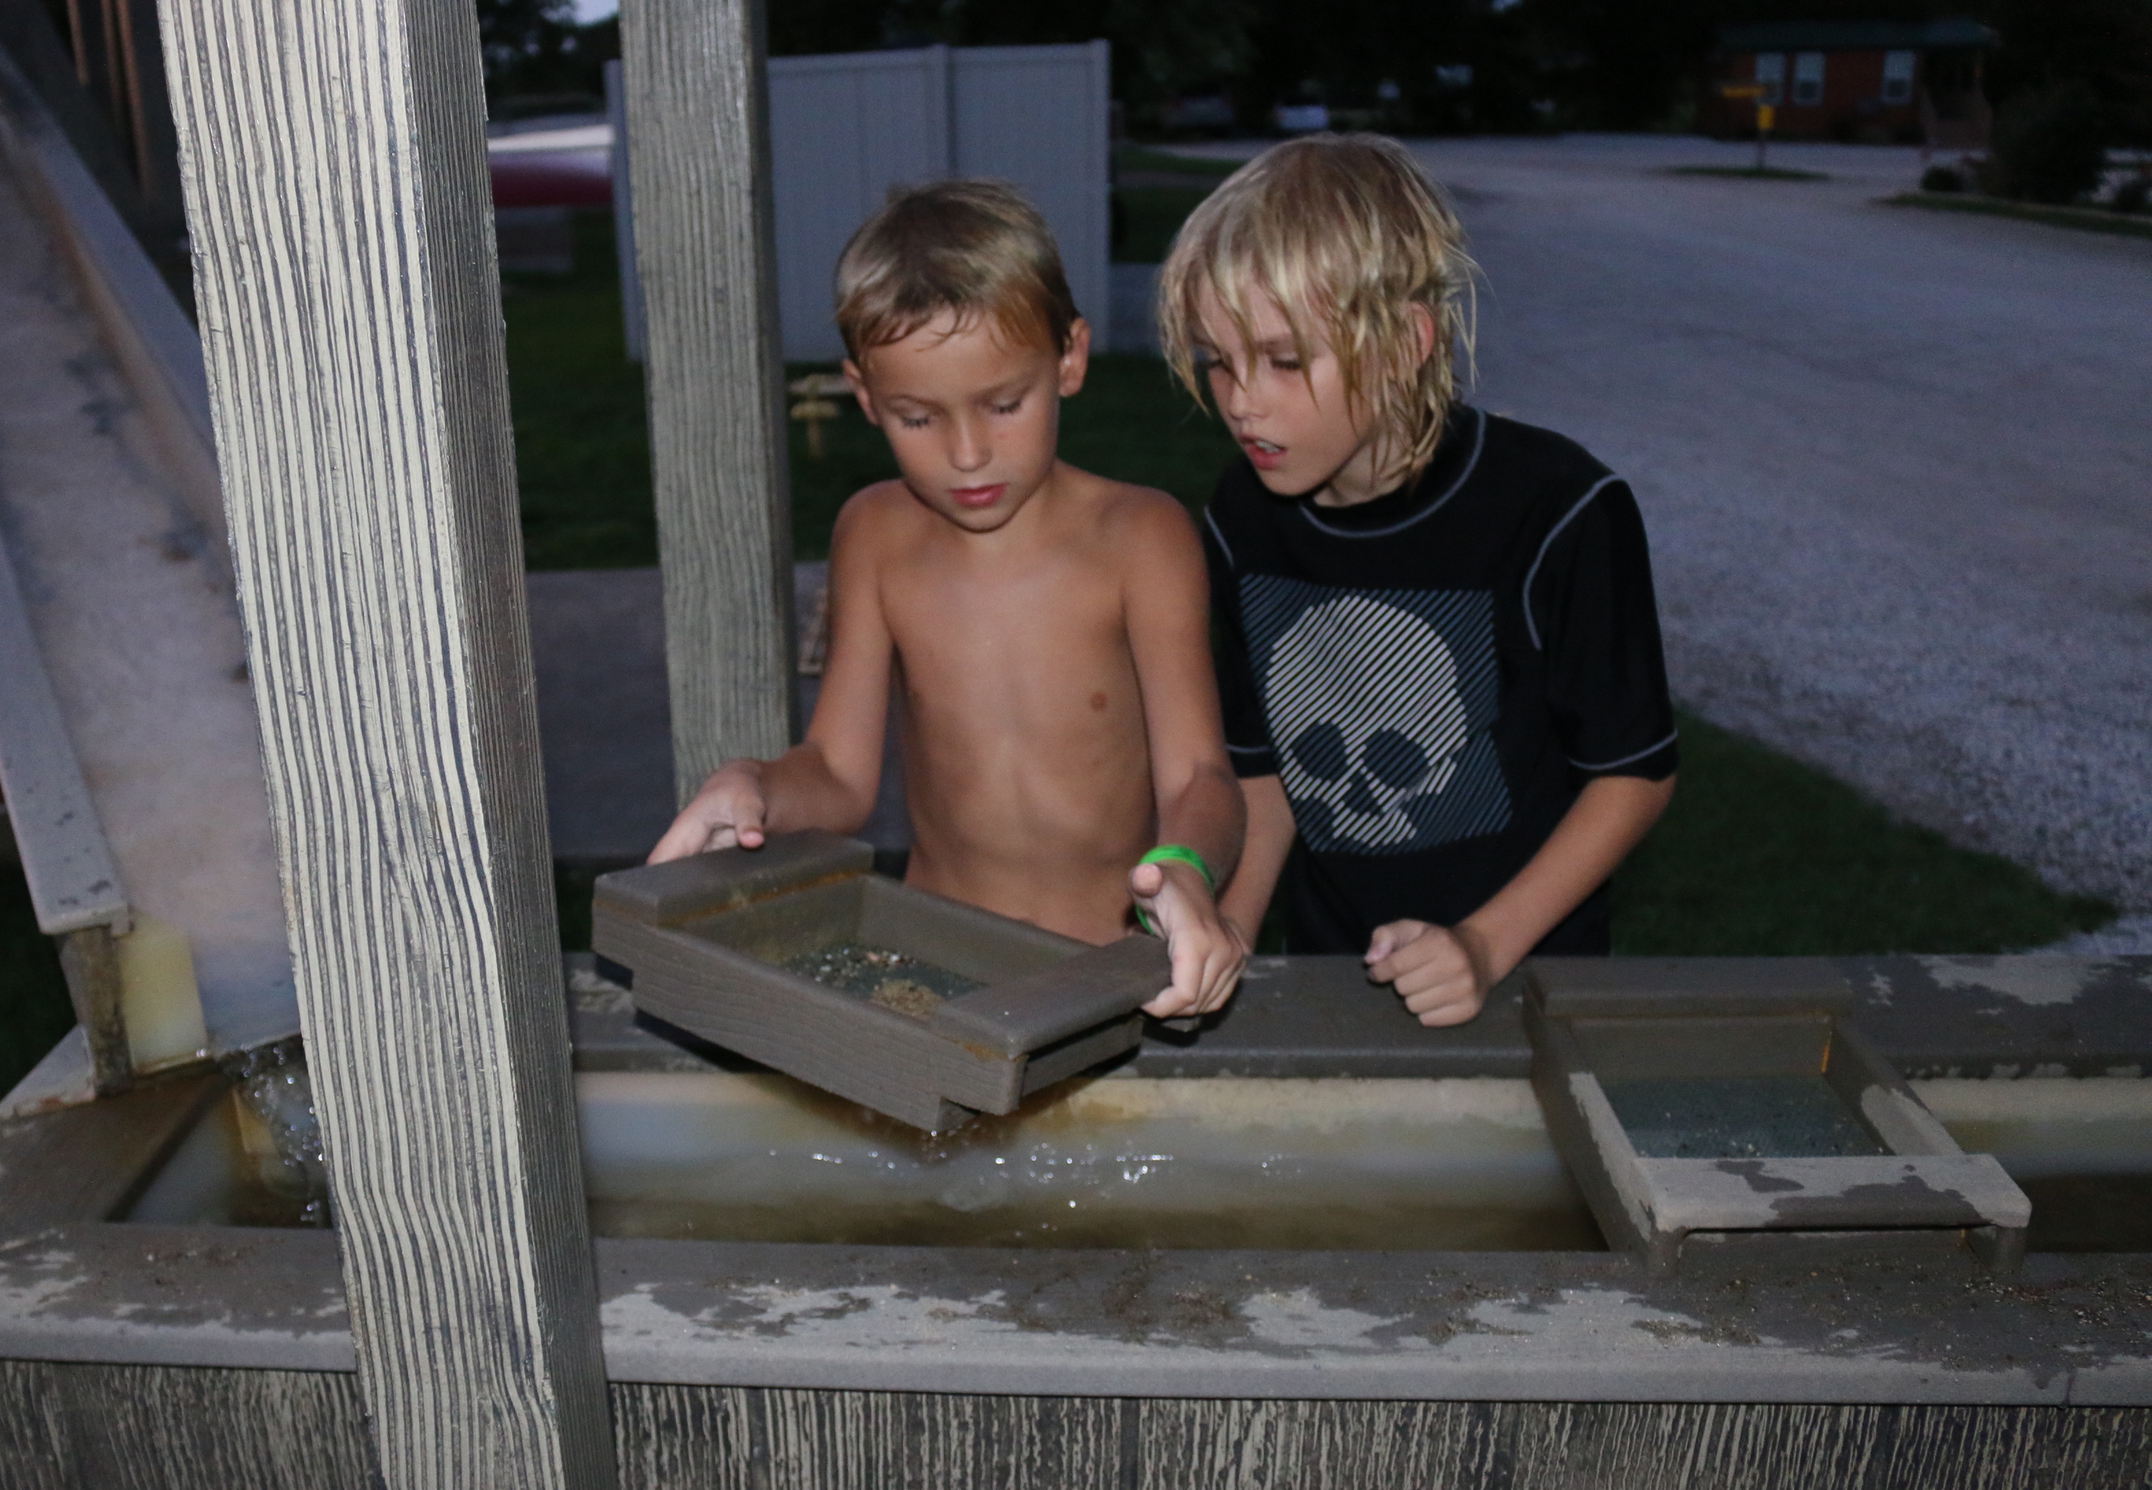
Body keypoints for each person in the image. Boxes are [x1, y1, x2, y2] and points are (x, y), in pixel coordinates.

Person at [649, 180, 1247, 1018]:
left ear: (1069, 359)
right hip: (928, 969)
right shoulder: (874, 534)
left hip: (1108, 972)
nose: (968, 454)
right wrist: (751, 786)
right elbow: (839, 775)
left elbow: (1202, 775)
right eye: (917, 417)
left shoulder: (1142, 536)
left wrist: (1186, 865)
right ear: (864, 397)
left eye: (1004, 405)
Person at [1158, 135, 1677, 1027]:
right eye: (1217, 360)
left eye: (1284, 361)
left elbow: (1634, 773)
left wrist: (1482, 943)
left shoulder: (1560, 509)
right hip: (1331, 972)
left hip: (1531, 976)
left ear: (1403, 343)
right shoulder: (1242, 516)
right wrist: (1233, 927)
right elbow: (1266, 768)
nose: (1242, 401)